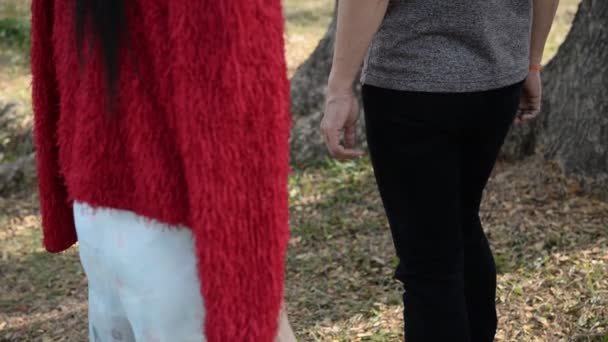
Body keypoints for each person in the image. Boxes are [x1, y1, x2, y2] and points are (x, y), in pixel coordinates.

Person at [31, 0, 296, 341]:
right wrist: (251, 278)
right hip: (179, 225)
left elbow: (49, 40)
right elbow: (232, 91)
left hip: (98, 213)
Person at [321, 0, 560, 341]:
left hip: (412, 84)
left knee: (429, 262)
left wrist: (339, 88)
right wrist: (532, 62)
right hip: (497, 81)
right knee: (461, 224)